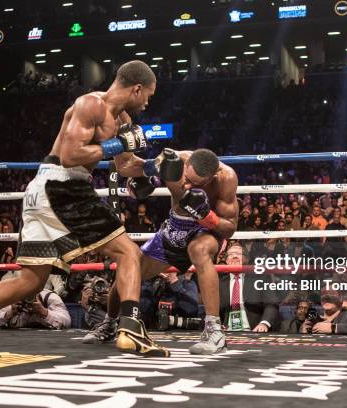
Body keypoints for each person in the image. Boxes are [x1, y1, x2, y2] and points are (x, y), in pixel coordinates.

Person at [0, 60, 175, 357]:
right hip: (62, 184)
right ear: (137, 88)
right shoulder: (90, 104)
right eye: (148, 95)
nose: (148, 102)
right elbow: (71, 155)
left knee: (31, 279)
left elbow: (125, 166)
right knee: (129, 253)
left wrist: (154, 165)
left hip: (45, 190)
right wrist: (117, 144)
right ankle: (131, 329)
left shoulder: (123, 120)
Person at [83, 148, 239, 355]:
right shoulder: (174, 159)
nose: (188, 186)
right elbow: (136, 167)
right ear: (187, 164)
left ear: (212, 176)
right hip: (173, 230)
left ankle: (214, 331)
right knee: (131, 268)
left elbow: (230, 228)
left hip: (204, 232)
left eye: (195, 183)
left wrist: (207, 215)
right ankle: (110, 323)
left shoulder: (226, 178)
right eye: (187, 179)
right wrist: (139, 179)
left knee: (199, 250)